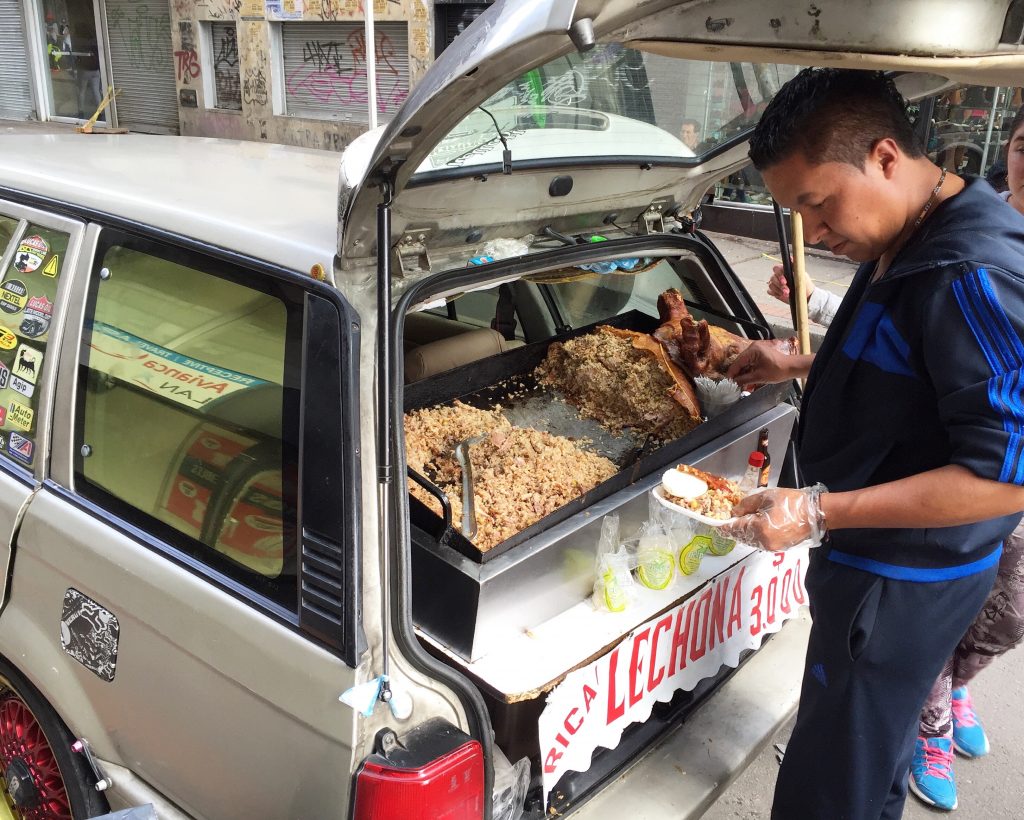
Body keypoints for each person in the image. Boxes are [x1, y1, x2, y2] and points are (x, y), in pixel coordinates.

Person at [721, 69, 1024, 820]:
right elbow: (919, 374)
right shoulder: (909, 229)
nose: (815, 233)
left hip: (900, 582)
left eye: (819, 206)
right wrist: (798, 362)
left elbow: (1009, 476)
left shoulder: (969, 270)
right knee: (871, 756)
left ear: (885, 156)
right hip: (876, 568)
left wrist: (821, 511)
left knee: (830, 790)